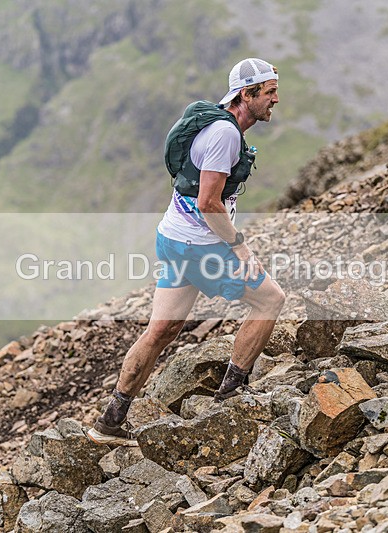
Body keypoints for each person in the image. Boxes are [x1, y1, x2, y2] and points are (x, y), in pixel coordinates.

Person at [87, 58, 286, 444]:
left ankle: (110, 421)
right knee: (270, 300)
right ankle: (230, 400)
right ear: (247, 94)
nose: (276, 99)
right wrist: (240, 248)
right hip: (201, 248)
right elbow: (209, 203)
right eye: (270, 92)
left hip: (173, 238)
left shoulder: (214, 123)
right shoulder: (225, 135)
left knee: (161, 330)